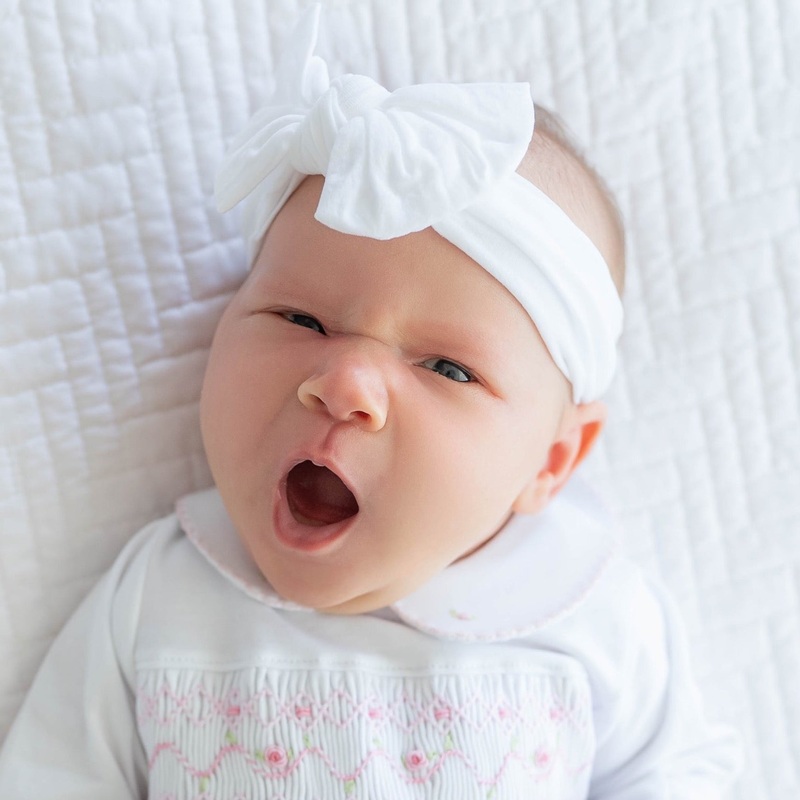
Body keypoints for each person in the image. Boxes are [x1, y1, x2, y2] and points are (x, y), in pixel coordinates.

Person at [0, 6, 741, 798]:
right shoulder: (162, 592)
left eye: (449, 369)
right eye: (302, 319)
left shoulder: (588, 612)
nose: (346, 384)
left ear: (552, 461)